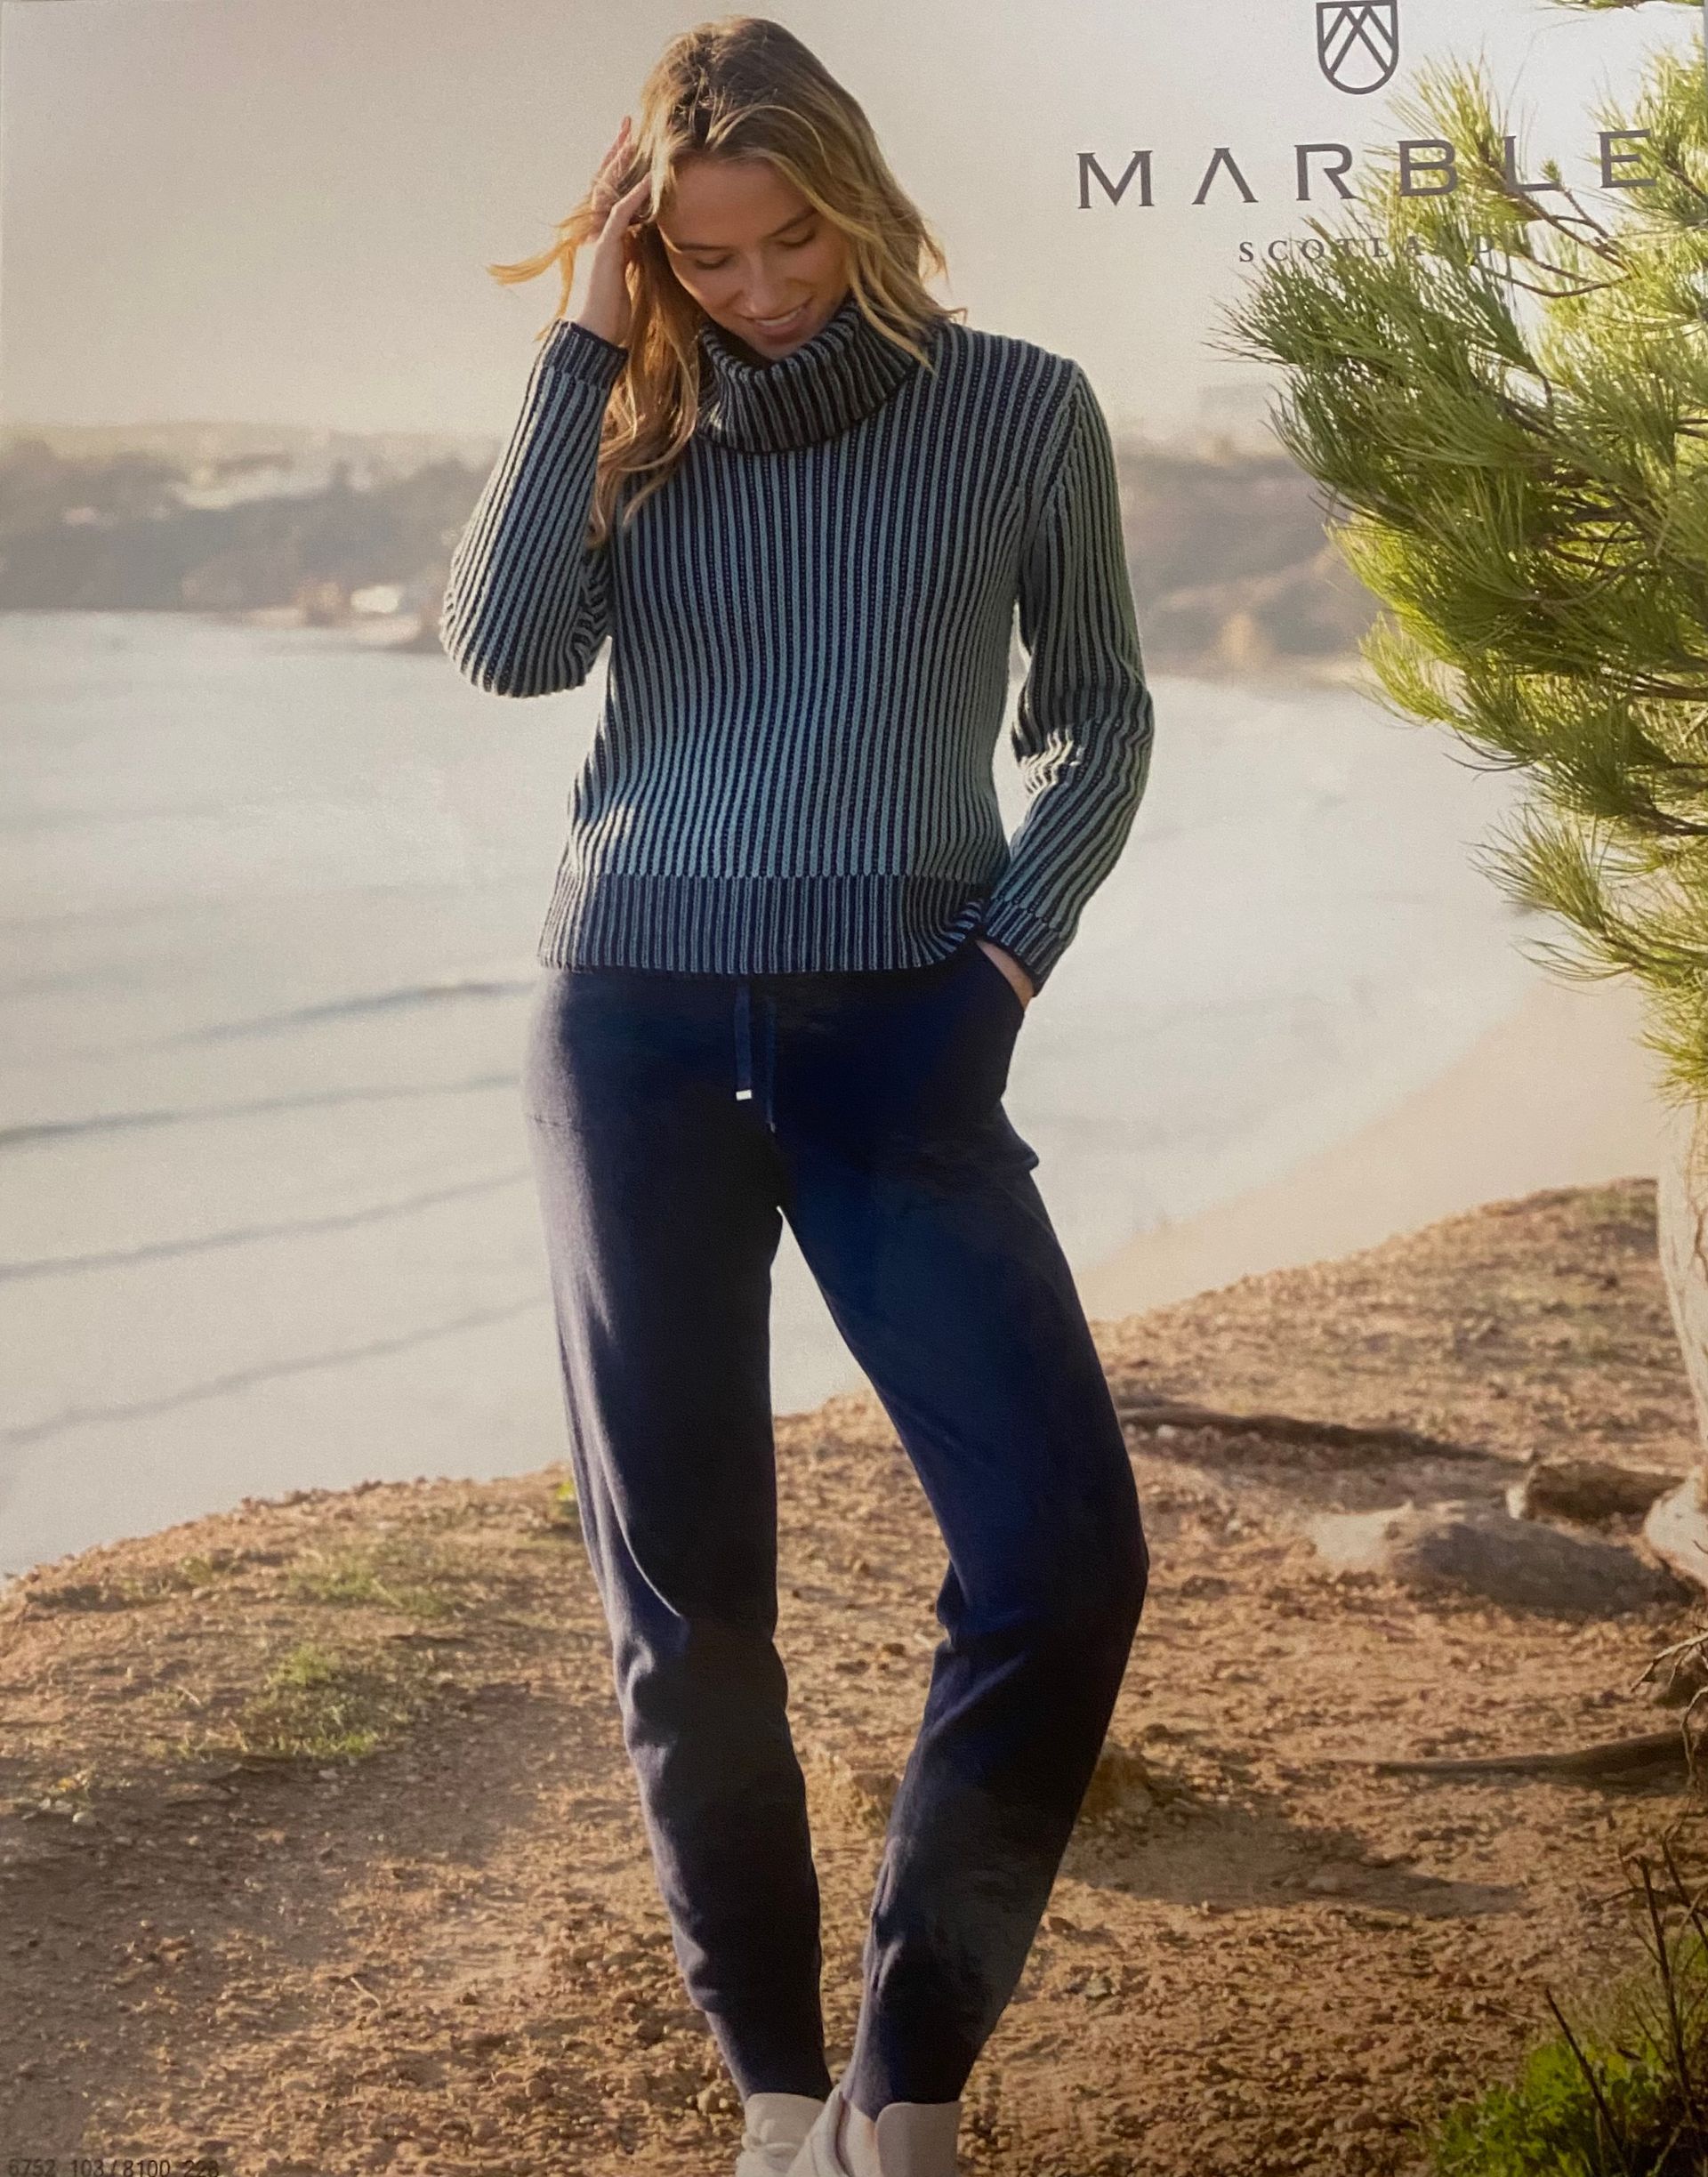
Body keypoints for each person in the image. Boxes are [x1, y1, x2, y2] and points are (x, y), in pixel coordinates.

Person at [440, 19, 1154, 2175]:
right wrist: (580, 347)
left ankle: (907, 2087)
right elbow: (500, 649)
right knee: (691, 1595)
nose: (757, 290)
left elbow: (1101, 718)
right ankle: (777, 2104)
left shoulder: (1019, 409)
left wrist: (1001, 965)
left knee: (1059, 1564)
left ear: (859, 192)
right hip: (632, 1023)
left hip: (901, 1034)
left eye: (790, 241)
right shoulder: (634, 418)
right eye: (706, 255)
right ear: (652, 251)